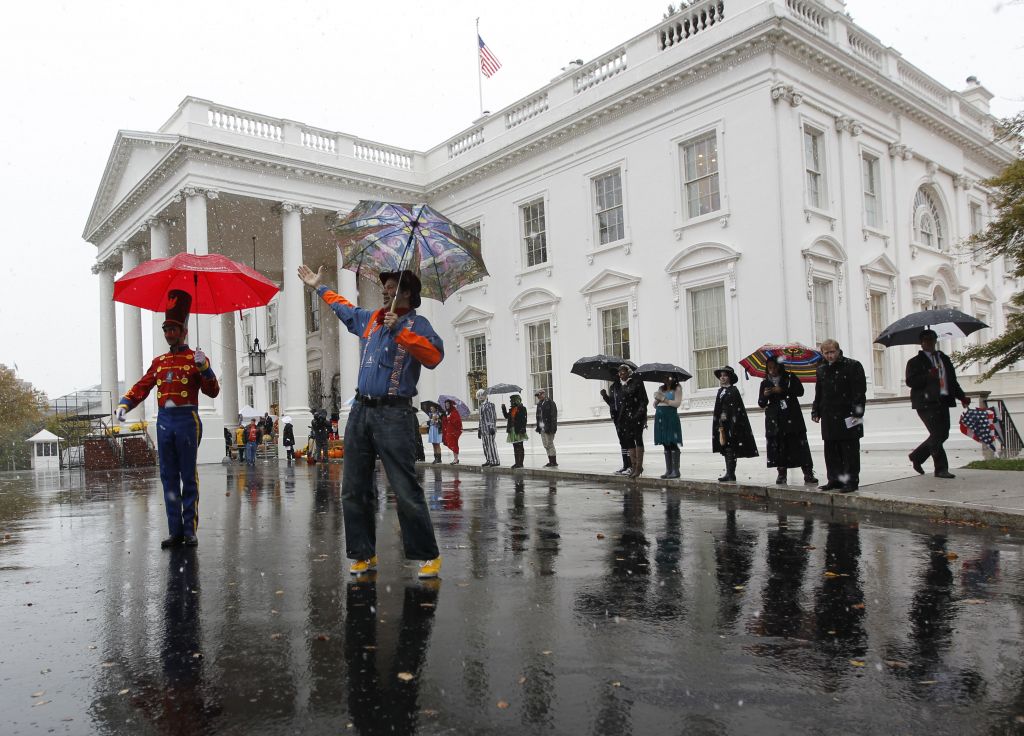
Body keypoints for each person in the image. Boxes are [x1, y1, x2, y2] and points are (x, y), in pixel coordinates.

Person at [298, 263, 443, 579]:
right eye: (385, 286)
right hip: (361, 411)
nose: (385, 291)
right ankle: (363, 554)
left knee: (404, 488)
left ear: (407, 293)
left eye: (392, 287)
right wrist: (318, 287)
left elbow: (433, 357)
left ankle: (427, 555)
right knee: (353, 487)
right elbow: (346, 309)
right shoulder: (373, 321)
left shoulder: (418, 324)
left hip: (395, 413)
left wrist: (400, 332)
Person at [115, 290, 220, 549]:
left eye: (173, 329)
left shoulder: (195, 359)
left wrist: (204, 367)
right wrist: (125, 404)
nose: (169, 334)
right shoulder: (159, 362)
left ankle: (190, 530)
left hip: (186, 420)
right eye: (166, 329)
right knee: (168, 477)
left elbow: (213, 390)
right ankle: (175, 531)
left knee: (188, 476)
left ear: (184, 331)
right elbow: (143, 385)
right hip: (164, 422)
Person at [906, 329, 970, 479]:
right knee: (937, 434)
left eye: (932, 339)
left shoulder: (944, 359)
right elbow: (911, 381)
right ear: (921, 343)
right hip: (925, 402)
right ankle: (940, 468)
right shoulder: (915, 362)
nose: (929, 342)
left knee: (944, 434)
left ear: (936, 341)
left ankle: (917, 456)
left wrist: (962, 397)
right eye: (926, 340)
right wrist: (928, 375)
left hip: (943, 400)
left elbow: (952, 381)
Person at [811, 339, 866, 493]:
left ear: (838, 350)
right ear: (822, 353)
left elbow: (859, 392)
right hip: (829, 414)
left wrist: (857, 413)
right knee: (831, 450)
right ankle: (834, 479)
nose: (830, 355)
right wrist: (816, 411)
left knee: (850, 450)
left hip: (848, 413)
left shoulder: (852, 366)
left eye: (832, 352)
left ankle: (850, 481)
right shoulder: (821, 369)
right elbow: (819, 393)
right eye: (826, 353)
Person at [757, 356, 817, 485]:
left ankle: (808, 473)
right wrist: (765, 395)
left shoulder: (790, 377)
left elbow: (800, 392)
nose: (772, 370)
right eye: (770, 368)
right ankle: (781, 473)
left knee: (799, 445)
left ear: (780, 367)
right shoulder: (765, 382)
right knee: (780, 446)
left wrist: (784, 389)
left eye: (775, 367)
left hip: (792, 416)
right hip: (776, 419)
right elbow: (761, 403)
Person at [711, 365, 758, 482]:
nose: (722, 378)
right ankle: (729, 472)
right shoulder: (720, 391)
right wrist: (719, 420)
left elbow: (735, 408)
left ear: (730, 377)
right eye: (721, 376)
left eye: (725, 376)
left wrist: (730, 418)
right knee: (725, 447)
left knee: (731, 448)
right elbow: (718, 407)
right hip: (722, 423)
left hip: (732, 424)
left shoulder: (733, 390)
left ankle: (731, 473)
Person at [601, 365, 634, 475]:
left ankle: (631, 465)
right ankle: (625, 465)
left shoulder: (622, 386)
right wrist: (605, 396)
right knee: (622, 442)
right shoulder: (613, 387)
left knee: (628, 441)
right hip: (616, 418)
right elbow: (612, 403)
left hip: (625, 417)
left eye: (614, 375)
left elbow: (624, 402)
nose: (613, 378)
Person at [619, 365, 649, 478]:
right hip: (627, 418)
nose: (620, 376)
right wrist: (620, 419)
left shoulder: (637, 382)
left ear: (628, 372)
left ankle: (638, 467)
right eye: (619, 374)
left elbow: (644, 400)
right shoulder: (623, 385)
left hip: (637, 417)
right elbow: (624, 404)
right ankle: (634, 465)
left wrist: (638, 415)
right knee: (629, 441)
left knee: (638, 439)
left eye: (622, 373)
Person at [653, 378, 682, 479]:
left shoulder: (677, 388)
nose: (667, 379)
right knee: (665, 443)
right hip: (661, 416)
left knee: (672, 441)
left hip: (671, 416)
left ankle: (675, 470)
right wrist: (657, 398)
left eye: (669, 377)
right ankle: (668, 470)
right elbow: (655, 405)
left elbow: (677, 403)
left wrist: (664, 399)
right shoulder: (661, 388)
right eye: (665, 377)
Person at [502, 394, 529, 468]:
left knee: (520, 446)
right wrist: (503, 409)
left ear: (516, 400)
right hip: (512, 430)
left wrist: (523, 428)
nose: (511, 402)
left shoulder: (522, 408)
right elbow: (506, 416)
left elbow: (524, 420)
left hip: (519, 430)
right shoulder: (512, 409)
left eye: (512, 400)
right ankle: (517, 462)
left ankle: (520, 463)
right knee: (515, 447)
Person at [535, 388, 558, 467]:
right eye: (537, 396)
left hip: (549, 427)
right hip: (542, 427)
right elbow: (538, 416)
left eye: (539, 395)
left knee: (550, 444)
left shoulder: (550, 403)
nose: (538, 397)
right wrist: (538, 426)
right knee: (545, 445)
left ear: (543, 394)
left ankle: (553, 462)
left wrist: (552, 428)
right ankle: (550, 461)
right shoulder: (539, 404)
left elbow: (553, 416)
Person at [476, 389, 500, 467]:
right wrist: (479, 430)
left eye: (482, 395)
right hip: (483, 430)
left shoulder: (490, 405)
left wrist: (492, 427)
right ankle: (489, 459)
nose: (480, 397)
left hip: (489, 429)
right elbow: (480, 419)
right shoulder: (481, 406)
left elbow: (492, 417)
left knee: (491, 445)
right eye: (479, 395)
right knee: (485, 445)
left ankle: (495, 460)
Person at [441, 399, 463, 464]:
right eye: (446, 405)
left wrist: (449, 419)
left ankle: (456, 459)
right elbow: (445, 421)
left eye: (448, 404)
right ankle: (455, 458)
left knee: (454, 444)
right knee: (451, 444)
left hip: (454, 431)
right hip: (449, 431)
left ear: (450, 404)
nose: (446, 406)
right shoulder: (447, 412)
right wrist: (444, 417)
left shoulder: (454, 411)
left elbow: (457, 421)